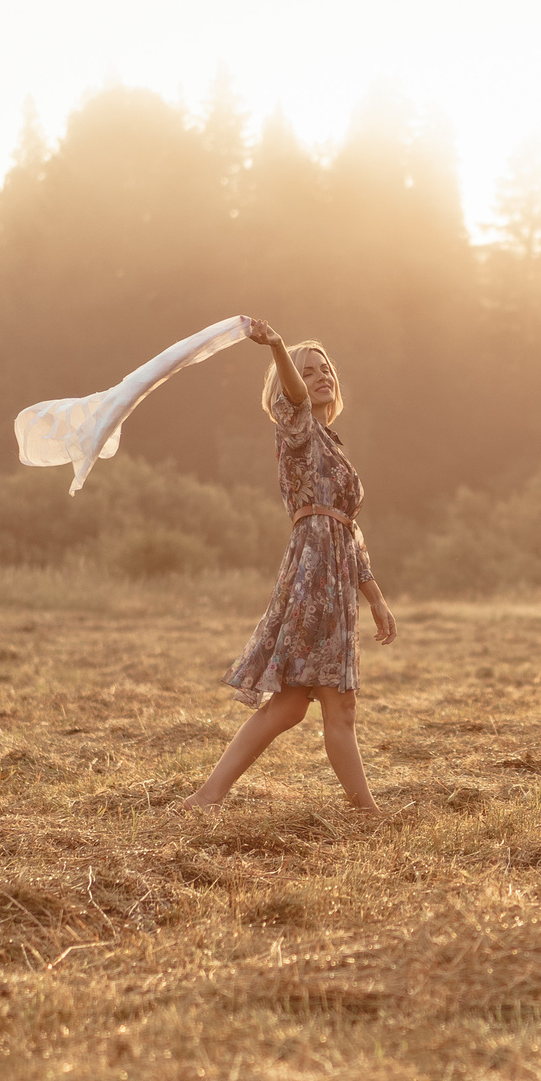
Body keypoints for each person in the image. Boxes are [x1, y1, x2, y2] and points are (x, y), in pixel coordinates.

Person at [183, 320, 398, 812]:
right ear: (289, 384)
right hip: (313, 576)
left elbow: (350, 532)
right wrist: (279, 346)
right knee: (335, 704)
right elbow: (296, 397)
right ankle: (368, 813)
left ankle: (206, 797)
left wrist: (376, 597)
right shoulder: (296, 430)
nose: (322, 376)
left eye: (326, 369)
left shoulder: (332, 443)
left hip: (335, 574)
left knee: (290, 705)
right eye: (309, 370)